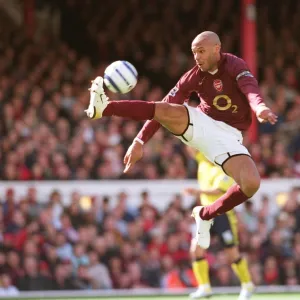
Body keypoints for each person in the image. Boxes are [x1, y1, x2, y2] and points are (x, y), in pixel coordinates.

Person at [85, 31, 277, 248]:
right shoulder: (193, 76)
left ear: (217, 48)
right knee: (169, 110)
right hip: (202, 123)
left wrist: (259, 106)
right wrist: (139, 141)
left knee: (251, 183)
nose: (197, 57)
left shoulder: (235, 65)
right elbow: (162, 106)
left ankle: (205, 215)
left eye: (201, 51)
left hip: (229, 136)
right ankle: (104, 108)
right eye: (194, 52)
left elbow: (250, 88)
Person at [183, 147, 253, 299]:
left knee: (232, 254)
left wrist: (197, 192)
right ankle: (204, 287)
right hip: (206, 215)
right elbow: (190, 147)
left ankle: (247, 284)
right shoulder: (203, 159)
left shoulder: (225, 169)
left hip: (223, 215)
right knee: (196, 249)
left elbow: (219, 191)